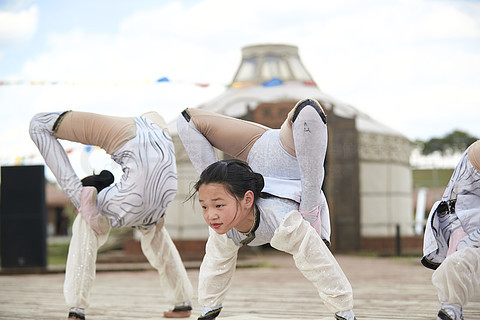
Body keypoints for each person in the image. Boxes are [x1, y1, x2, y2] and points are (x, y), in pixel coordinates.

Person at [177, 98, 356, 320]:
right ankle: (216, 186)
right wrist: (207, 310)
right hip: (257, 151)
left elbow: (320, 263)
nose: (211, 215)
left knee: (308, 109)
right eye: (205, 206)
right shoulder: (223, 228)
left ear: (247, 199)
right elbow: (214, 267)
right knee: (185, 120)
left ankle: (310, 212)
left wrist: (344, 311)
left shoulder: (283, 221)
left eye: (218, 205)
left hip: (288, 157)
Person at [29, 110, 193, 320]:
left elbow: (41, 125)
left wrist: (78, 196)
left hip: (133, 196)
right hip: (164, 198)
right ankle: (182, 302)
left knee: (38, 123)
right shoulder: (162, 134)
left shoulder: (119, 128)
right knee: (156, 234)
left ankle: (76, 309)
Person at [422, 140, 480, 320]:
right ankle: (451, 307)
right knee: (463, 253)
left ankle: (451, 306)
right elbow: (452, 199)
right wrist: (456, 230)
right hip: (464, 218)